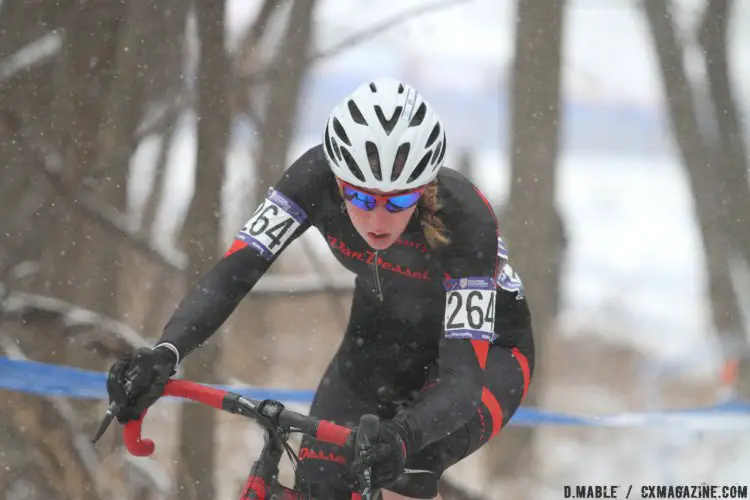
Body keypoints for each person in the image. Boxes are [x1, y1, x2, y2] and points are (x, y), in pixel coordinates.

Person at [106, 77, 534, 500]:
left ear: (422, 189)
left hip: (486, 355)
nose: (378, 220)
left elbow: (461, 379)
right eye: (362, 199)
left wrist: (403, 437)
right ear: (339, 181)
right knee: (320, 481)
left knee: (403, 474)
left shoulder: (465, 219)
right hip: (378, 341)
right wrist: (166, 351)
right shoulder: (313, 178)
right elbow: (236, 271)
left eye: (399, 201)